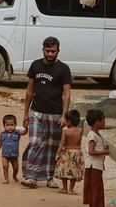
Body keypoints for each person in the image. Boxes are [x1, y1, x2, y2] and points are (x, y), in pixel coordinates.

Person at [21, 36, 73, 189]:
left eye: (53, 51)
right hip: (36, 112)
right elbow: (29, 90)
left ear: (58, 51)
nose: (50, 54)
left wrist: (64, 115)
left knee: (52, 146)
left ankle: (50, 177)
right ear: (43, 49)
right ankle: (31, 176)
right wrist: (25, 113)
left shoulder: (64, 69)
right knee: (36, 142)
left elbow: (67, 94)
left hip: (55, 114)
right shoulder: (35, 66)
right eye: (47, 50)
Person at [54, 109, 84, 195]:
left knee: (64, 171)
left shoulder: (66, 131)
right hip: (77, 153)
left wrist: (57, 153)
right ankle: (71, 189)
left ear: (69, 122)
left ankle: (64, 188)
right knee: (74, 172)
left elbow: (62, 143)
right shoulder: (80, 131)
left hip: (67, 152)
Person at [83, 109, 109, 207]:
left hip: (97, 166)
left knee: (96, 188)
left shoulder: (96, 134)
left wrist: (104, 149)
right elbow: (91, 151)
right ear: (97, 122)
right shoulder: (93, 136)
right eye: (103, 120)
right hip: (93, 166)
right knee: (95, 188)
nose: (104, 122)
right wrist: (104, 151)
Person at [0, 114, 28, 184]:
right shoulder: (2, 134)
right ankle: (6, 179)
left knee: (16, 167)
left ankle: (14, 175)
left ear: (15, 125)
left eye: (12, 125)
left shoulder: (17, 133)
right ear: (4, 126)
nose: (10, 127)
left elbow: (24, 133)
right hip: (5, 154)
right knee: (5, 166)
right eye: (7, 125)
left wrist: (26, 127)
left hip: (14, 155)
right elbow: (0, 142)